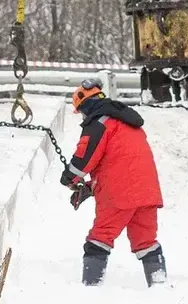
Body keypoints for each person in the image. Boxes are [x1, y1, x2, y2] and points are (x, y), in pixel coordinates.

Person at [59, 78, 166, 287]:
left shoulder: (99, 122)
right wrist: (90, 187)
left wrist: (69, 177)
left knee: (99, 239)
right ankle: (159, 287)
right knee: (146, 242)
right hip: (147, 192)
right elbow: (120, 164)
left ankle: (91, 290)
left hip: (120, 195)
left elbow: (85, 157)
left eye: (80, 111)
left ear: (85, 106)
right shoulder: (127, 121)